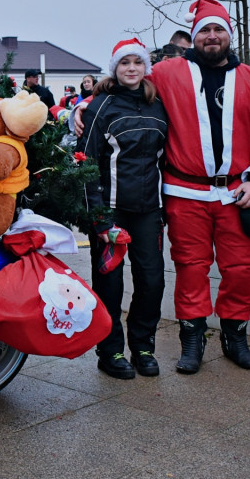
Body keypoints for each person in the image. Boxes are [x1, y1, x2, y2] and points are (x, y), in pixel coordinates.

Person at [153, 0, 250, 374]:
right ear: (194, 36)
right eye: (205, 30)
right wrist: (85, 107)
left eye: (219, 29)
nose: (212, 36)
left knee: (241, 267)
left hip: (237, 191)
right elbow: (126, 88)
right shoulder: (167, 72)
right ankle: (192, 338)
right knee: (190, 266)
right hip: (185, 191)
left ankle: (235, 337)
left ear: (229, 35)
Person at [78, 39, 168, 379]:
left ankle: (143, 347)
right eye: (124, 63)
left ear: (146, 67)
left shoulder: (158, 104)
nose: (131, 68)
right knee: (110, 285)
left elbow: (168, 158)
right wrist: (99, 218)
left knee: (153, 281)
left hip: (148, 212)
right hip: (111, 213)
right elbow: (85, 163)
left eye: (137, 62)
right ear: (115, 69)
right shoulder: (101, 105)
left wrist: (166, 209)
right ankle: (111, 350)